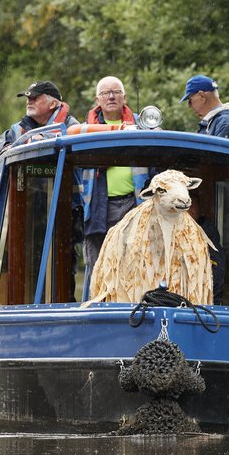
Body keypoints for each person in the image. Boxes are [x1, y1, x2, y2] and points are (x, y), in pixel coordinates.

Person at [79, 76, 149, 293]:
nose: (111, 96)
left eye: (116, 92)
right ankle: (94, 311)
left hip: (135, 205)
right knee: (98, 264)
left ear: (125, 97)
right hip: (98, 209)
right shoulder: (83, 130)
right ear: (97, 100)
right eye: (105, 93)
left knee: (135, 262)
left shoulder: (143, 125)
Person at [0, 80, 78, 162]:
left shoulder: (71, 125)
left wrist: (42, 138)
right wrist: (6, 148)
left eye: (34, 98)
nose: (29, 102)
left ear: (52, 104)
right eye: (28, 98)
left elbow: (77, 145)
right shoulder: (19, 129)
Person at [181, 74, 229, 139]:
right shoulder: (214, 123)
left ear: (202, 96)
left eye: (190, 101)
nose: (190, 106)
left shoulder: (225, 123)